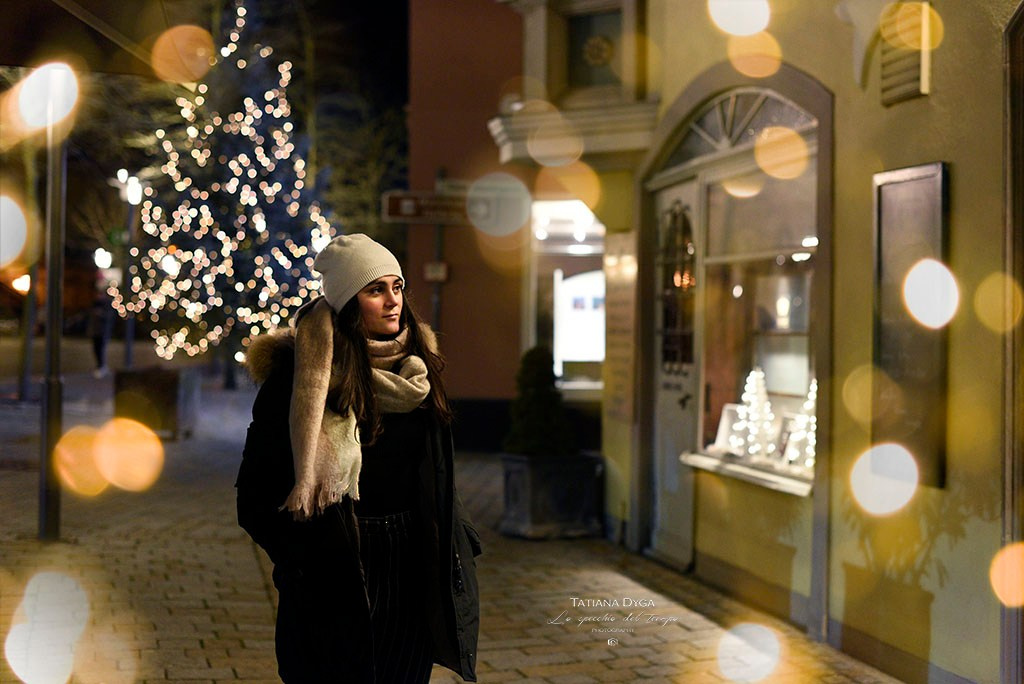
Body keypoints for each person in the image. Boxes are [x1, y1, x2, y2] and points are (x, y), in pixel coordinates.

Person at [235, 233, 481, 683]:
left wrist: (456, 538)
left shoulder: (417, 371)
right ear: (348, 302)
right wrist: (301, 562)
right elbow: (253, 495)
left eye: (397, 287)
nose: (393, 300)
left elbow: (435, 473)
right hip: (332, 563)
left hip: (409, 563)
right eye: (375, 290)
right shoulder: (295, 378)